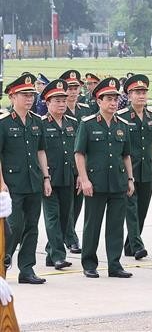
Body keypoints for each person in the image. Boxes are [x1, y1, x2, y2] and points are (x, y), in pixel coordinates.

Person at [75, 77, 135, 278]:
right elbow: (79, 153)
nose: (113, 102)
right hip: (96, 182)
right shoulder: (88, 124)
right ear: (98, 101)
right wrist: (84, 179)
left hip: (117, 182)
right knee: (92, 225)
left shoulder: (123, 125)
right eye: (108, 98)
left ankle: (115, 264)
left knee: (116, 225)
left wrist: (130, 179)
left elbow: (126, 155)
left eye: (115, 99)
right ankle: (89, 263)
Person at [0, 74, 52, 284]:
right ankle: (3, 263)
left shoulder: (36, 122)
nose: (29, 99)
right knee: (13, 227)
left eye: (31, 95)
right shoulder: (3, 123)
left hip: (33, 181)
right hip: (12, 184)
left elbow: (41, 151)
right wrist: (1, 184)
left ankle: (27, 269)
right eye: (24, 95)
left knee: (32, 226)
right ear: (13, 97)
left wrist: (46, 177)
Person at [117, 75, 152, 260]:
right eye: (137, 92)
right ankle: (137, 245)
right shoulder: (122, 117)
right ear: (129, 95)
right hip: (129, 171)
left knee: (142, 210)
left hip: (146, 170)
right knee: (131, 209)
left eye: (144, 92)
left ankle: (130, 245)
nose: (141, 96)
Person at [41, 79, 78, 271]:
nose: (62, 104)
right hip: (49, 179)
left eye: (64, 100)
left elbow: (78, 152)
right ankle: (58, 256)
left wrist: (80, 174)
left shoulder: (73, 123)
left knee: (65, 218)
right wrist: (45, 177)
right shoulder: (40, 124)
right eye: (57, 101)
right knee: (52, 217)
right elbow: (40, 153)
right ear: (47, 103)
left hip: (68, 177)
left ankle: (50, 252)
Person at [60, 70, 90, 254]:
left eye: (76, 87)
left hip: (81, 165)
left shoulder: (86, 111)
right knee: (65, 205)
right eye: (69, 87)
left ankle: (68, 233)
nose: (73, 91)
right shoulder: (57, 108)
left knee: (77, 204)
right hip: (62, 164)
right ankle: (69, 236)